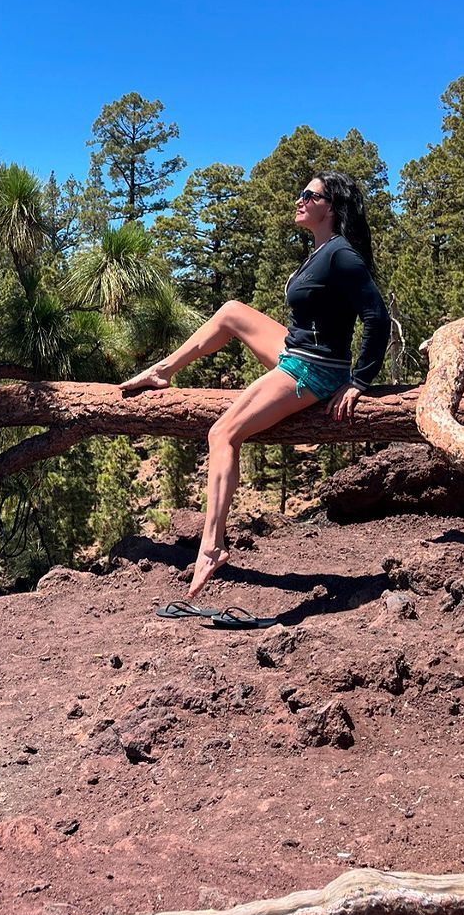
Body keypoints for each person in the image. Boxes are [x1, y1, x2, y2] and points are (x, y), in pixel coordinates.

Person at [121, 171, 390, 598]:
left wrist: (358, 381)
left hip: (313, 370)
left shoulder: (342, 255)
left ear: (331, 207)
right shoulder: (319, 251)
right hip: (296, 351)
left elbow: (376, 319)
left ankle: (211, 546)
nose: (299, 198)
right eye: (301, 191)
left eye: (309, 194)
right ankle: (162, 371)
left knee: (222, 432)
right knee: (231, 311)